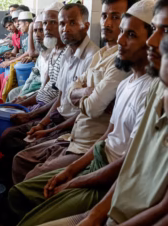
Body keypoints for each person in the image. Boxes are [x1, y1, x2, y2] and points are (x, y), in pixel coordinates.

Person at [9, 0, 158, 226]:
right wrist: (71, 171)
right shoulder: (126, 83)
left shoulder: (151, 91)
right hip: (93, 155)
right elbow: (103, 133)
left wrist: (77, 179)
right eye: (121, 30)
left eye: (130, 34)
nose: (119, 39)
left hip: (109, 177)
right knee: (20, 190)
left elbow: (129, 162)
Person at [11, 0, 134, 184]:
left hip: (79, 137)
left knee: (23, 159)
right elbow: (65, 93)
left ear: (85, 26)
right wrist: (87, 93)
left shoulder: (111, 59)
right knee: (19, 154)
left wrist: (49, 124)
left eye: (116, 17)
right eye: (104, 16)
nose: (63, 29)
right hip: (72, 132)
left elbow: (90, 109)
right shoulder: (93, 55)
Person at [0, 3, 99, 187]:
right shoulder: (66, 54)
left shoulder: (93, 59)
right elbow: (60, 97)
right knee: (9, 136)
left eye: (72, 23)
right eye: (62, 23)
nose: (64, 28)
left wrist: (46, 128)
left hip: (70, 128)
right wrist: (40, 121)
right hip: (55, 119)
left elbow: (82, 112)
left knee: (23, 152)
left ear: (86, 26)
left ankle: (14, 197)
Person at [9, 2, 66, 108]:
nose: (47, 28)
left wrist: (28, 106)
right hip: (42, 100)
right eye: (45, 23)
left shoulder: (66, 54)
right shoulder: (54, 52)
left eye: (53, 22)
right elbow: (45, 88)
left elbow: (59, 98)